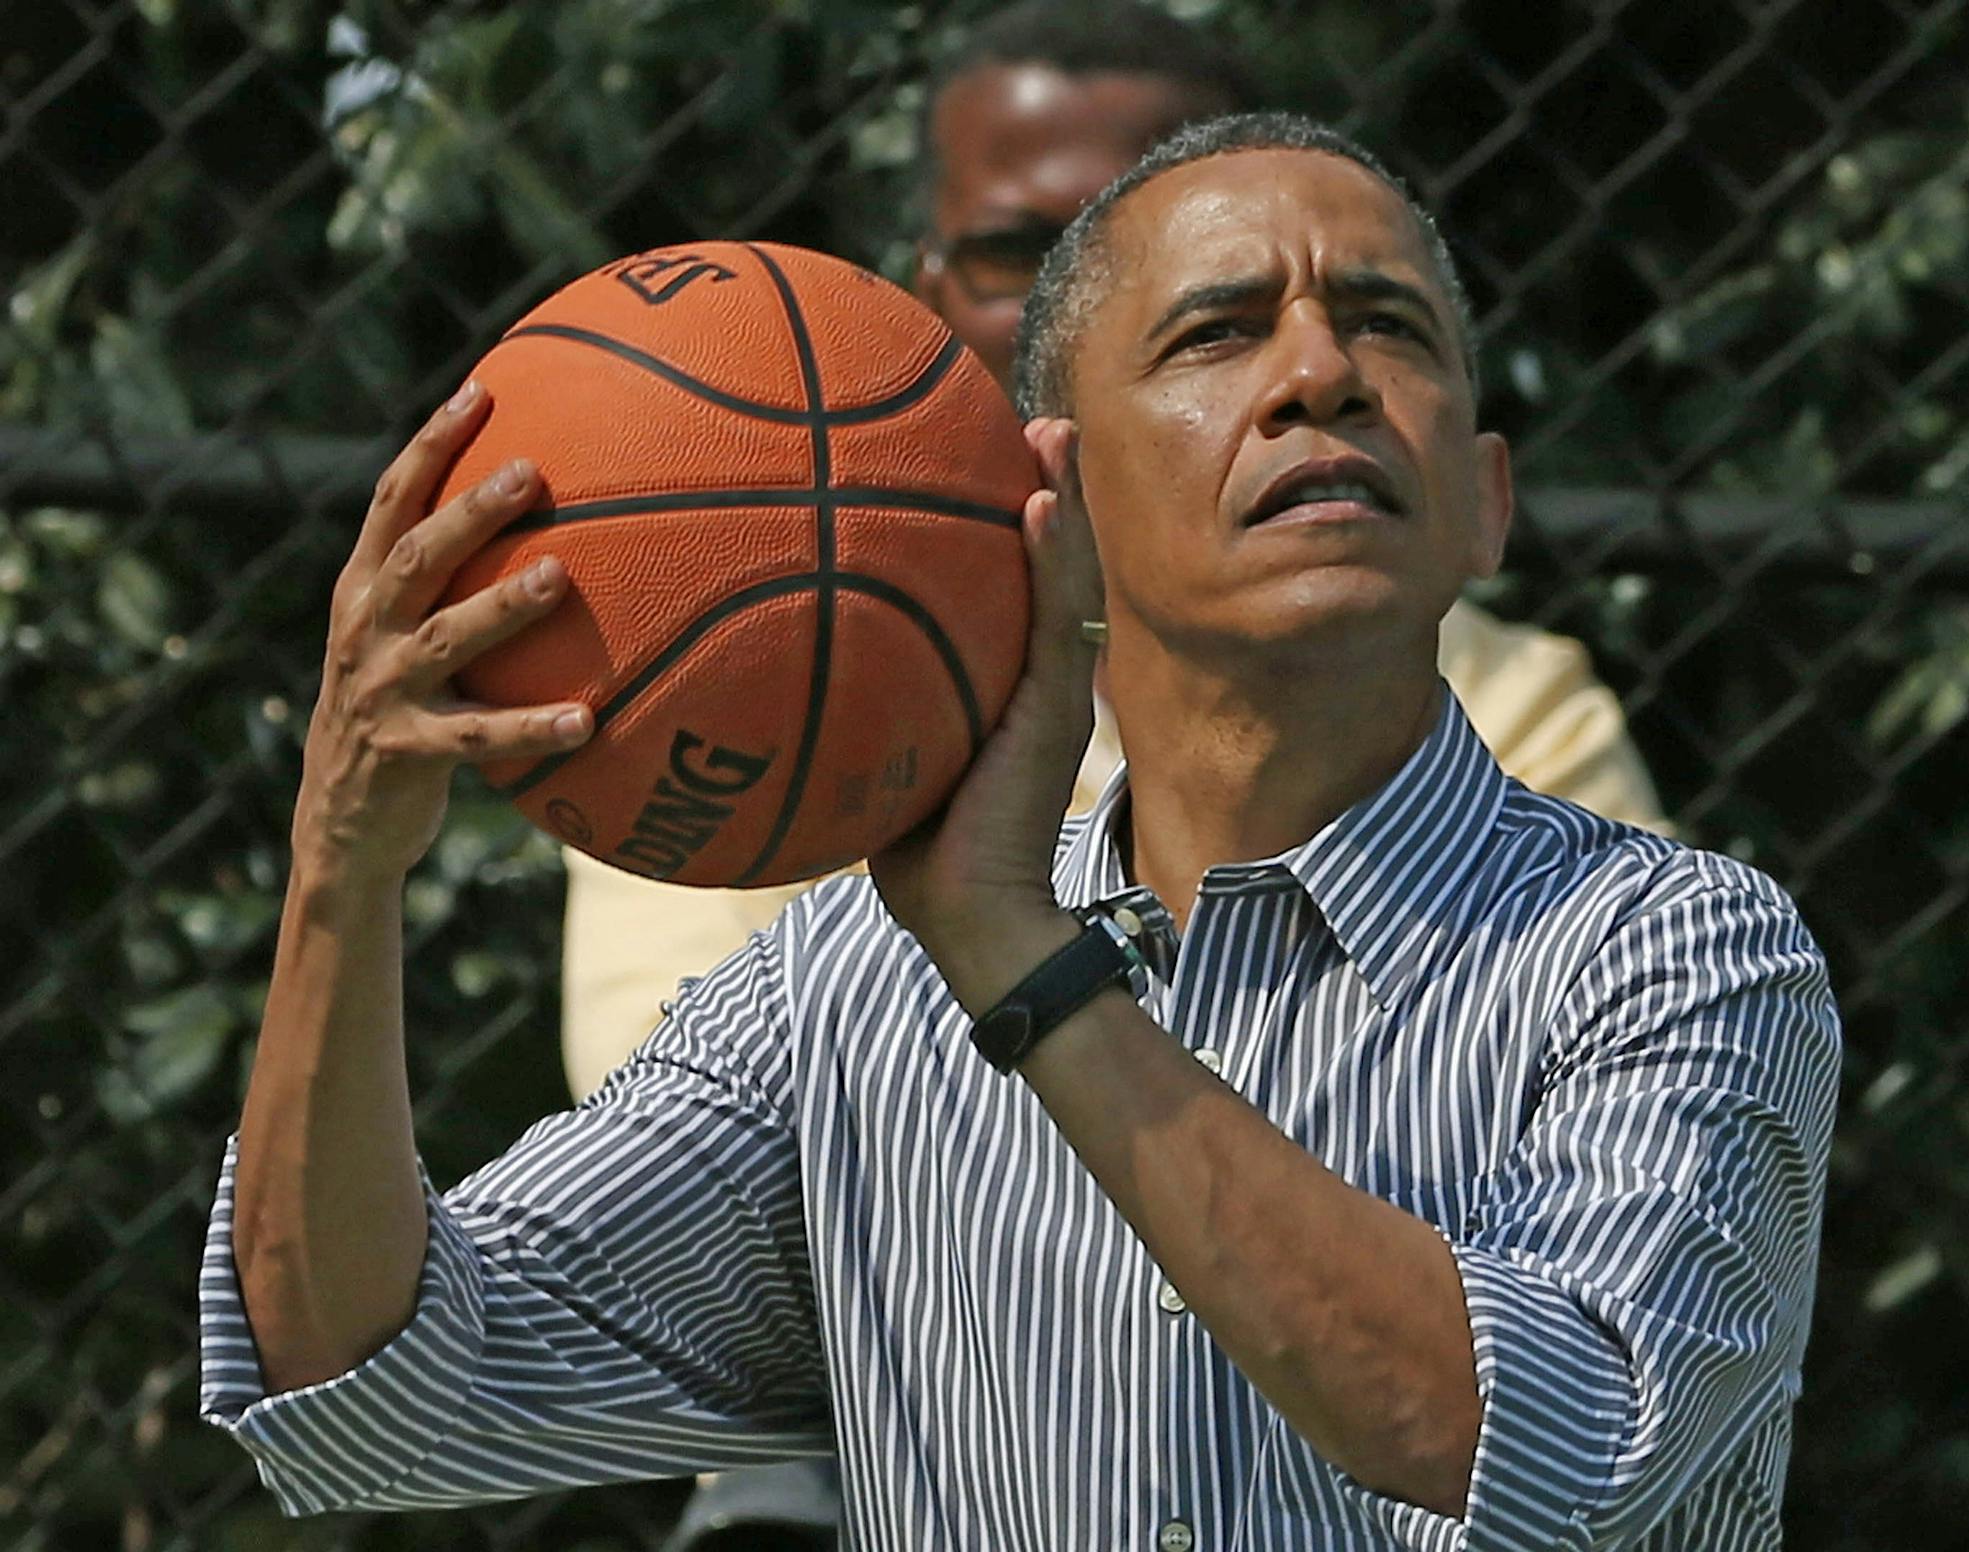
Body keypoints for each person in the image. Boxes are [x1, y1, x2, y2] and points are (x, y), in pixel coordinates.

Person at [201, 113, 1839, 1549]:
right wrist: (347, 854)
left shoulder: (1678, 949)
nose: (1321, 374)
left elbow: (1554, 1448)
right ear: (1045, 491)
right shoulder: (846, 988)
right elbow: (369, 1389)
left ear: (1486, 497)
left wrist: (1020, 960)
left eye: (1386, 325)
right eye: (1216, 333)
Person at [559, 3, 1668, 1102]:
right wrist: (371, 852)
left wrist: (1014, 973)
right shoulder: (743, 659)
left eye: (1176, 279)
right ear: (924, 290)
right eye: (1018, 254)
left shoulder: (1498, 705)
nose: (1065, 303)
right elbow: (676, 1148)